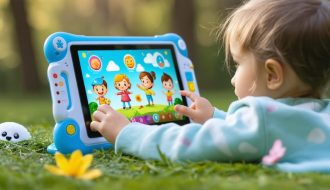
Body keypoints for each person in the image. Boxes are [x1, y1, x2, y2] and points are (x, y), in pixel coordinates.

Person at [91, 0, 330, 173]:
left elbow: (189, 145)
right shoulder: (318, 112)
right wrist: (214, 117)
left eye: (238, 64)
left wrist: (128, 133)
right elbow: (255, 130)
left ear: (272, 75)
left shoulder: (263, 120)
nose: (233, 78)